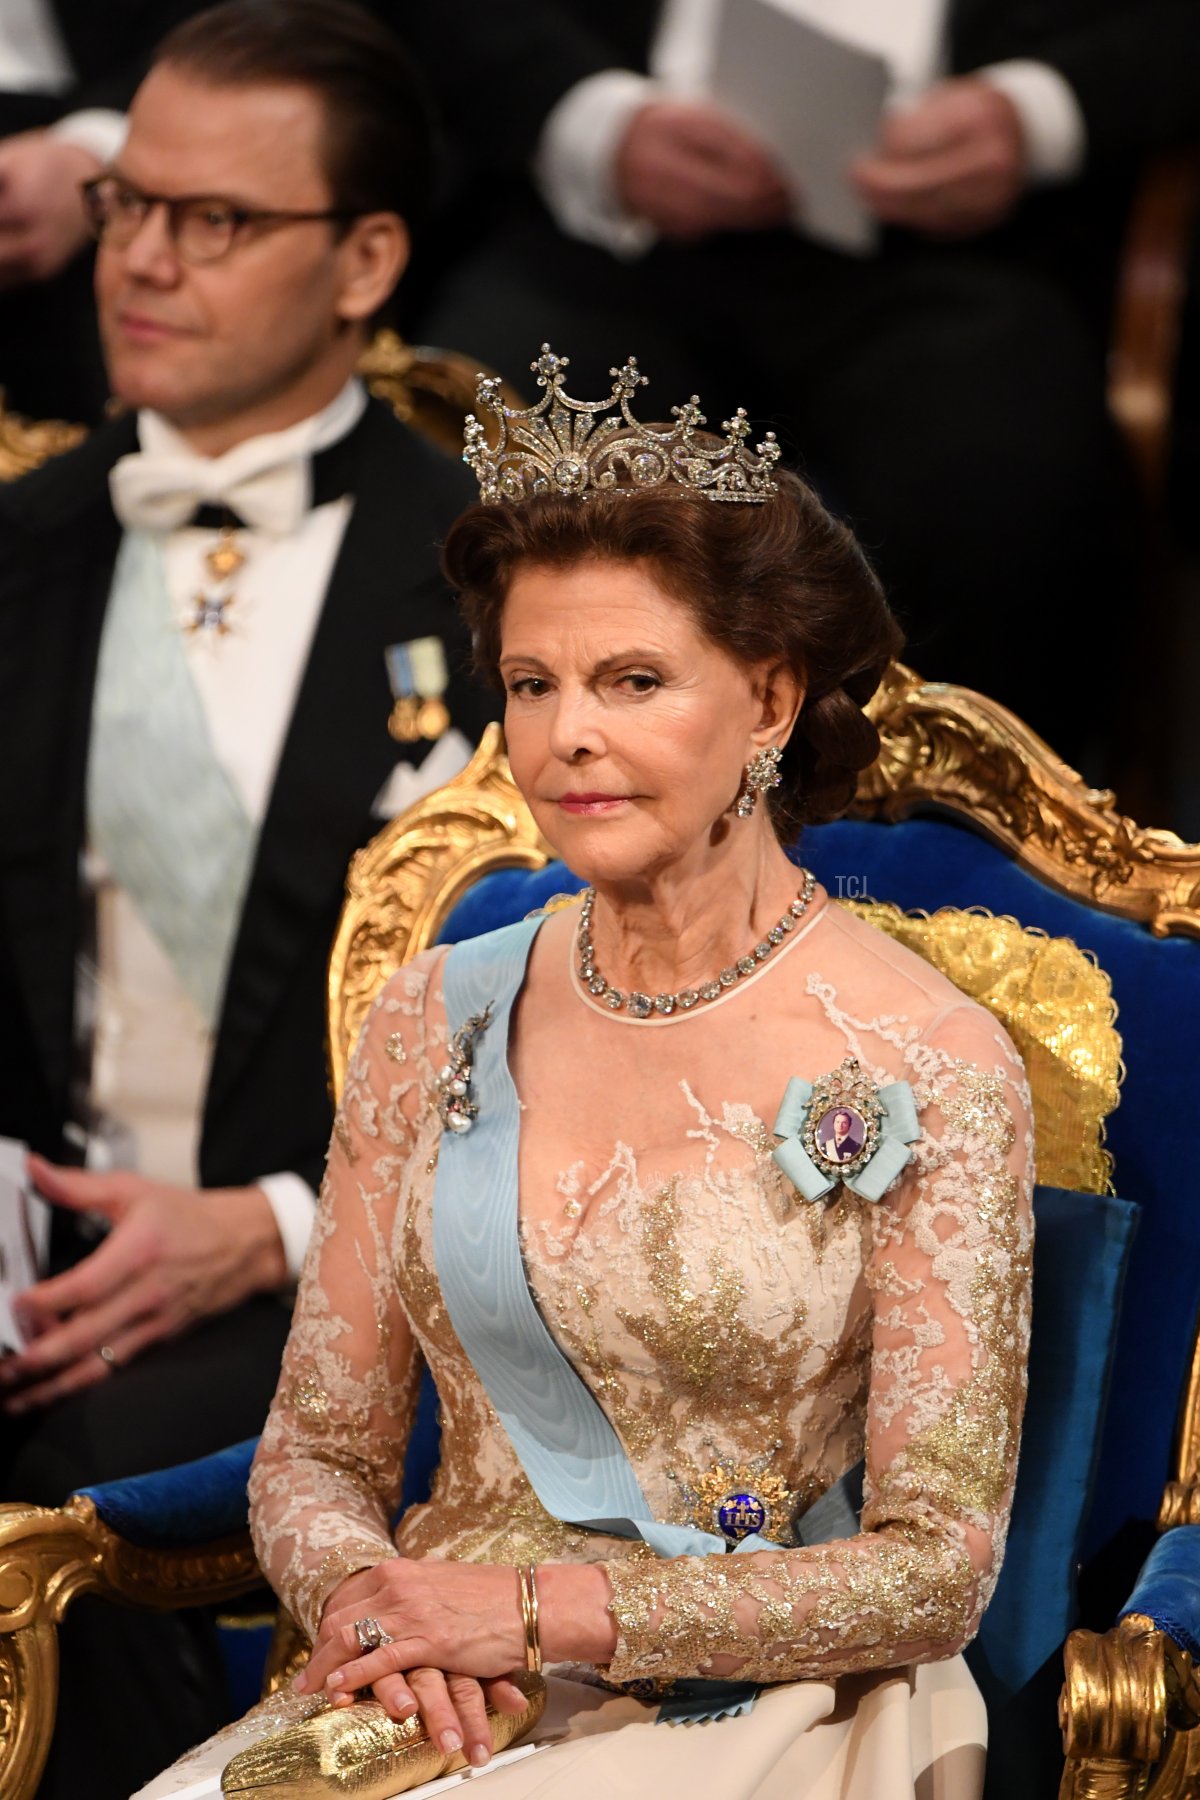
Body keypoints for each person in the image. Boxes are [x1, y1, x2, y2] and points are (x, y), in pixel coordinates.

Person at [139, 348, 1034, 1800]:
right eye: (531, 684)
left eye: (632, 680)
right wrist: (383, 1605)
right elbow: (312, 1454)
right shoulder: (434, 1009)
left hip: (766, 1700)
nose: (568, 739)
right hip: (432, 1681)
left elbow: (937, 1572)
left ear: (767, 701)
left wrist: (542, 1611)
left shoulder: (931, 1060)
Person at [0, 3, 494, 1792]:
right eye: (129, 203)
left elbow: (592, 1013)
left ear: (365, 259)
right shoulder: (23, 546)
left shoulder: (503, 585)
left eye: (214, 221)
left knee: (62, 1510)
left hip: (340, 1277)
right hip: (38, 1250)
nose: (142, 257)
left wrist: (279, 1221)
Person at [414, 0, 1200, 768]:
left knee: (1002, 485)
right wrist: (594, 119)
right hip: (605, 233)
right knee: (466, 443)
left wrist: (1039, 113)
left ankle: (955, 854)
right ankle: (492, 841)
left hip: (966, 252)